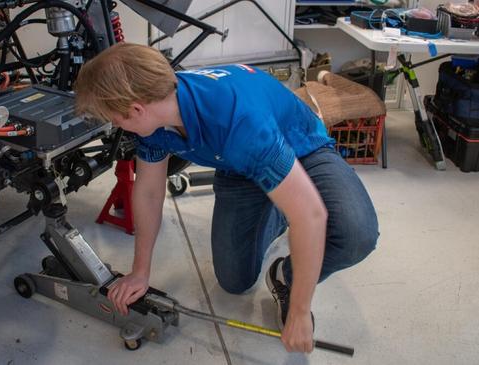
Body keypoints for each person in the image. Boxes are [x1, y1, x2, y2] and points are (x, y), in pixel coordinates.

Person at [73, 43, 379, 353]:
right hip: (239, 166)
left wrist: (299, 311)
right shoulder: (155, 112)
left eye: (115, 119)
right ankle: (282, 200)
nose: (117, 126)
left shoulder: (239, 124)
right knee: (235, 281)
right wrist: (140, 271)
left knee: (356, 235)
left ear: (136, 109)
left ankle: (285, 265)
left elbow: (311, 215)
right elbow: (150, 190)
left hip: (302, 148)